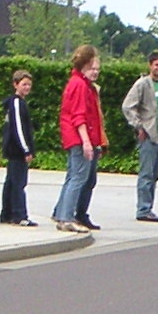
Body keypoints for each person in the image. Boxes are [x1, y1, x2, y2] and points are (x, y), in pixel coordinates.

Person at [52, 45, 104, 234]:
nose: (95, 72)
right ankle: (67, 218)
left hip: (73, 137)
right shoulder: (80, 85)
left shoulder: (76, 83)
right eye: (92, 68)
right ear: (83, 66)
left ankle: (61, 212)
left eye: (97, 69)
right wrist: (87, 142)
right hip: (79, 138)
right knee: (78, 177)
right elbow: (79, 116)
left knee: (72, 176)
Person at [121, 51, 158, 222]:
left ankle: (149, 206)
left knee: (155, 174)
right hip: (148, 136)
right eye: (156, 64)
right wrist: (138, 125)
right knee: (146, 174)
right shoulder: (143, 84)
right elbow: (128, 106)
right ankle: (143, 209)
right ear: (150, 66)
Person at [0, 70, 37, 226]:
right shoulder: (16, 103)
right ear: (15, 84)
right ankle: (19, 215)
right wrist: (26, 149)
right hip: (16, 150)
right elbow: (18, 128)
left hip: (14, 149)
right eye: (24, 84)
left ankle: (7, 213)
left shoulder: (18, 102)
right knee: (18, 183)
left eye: (29, 84)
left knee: (11, 182)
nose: (27, 87)